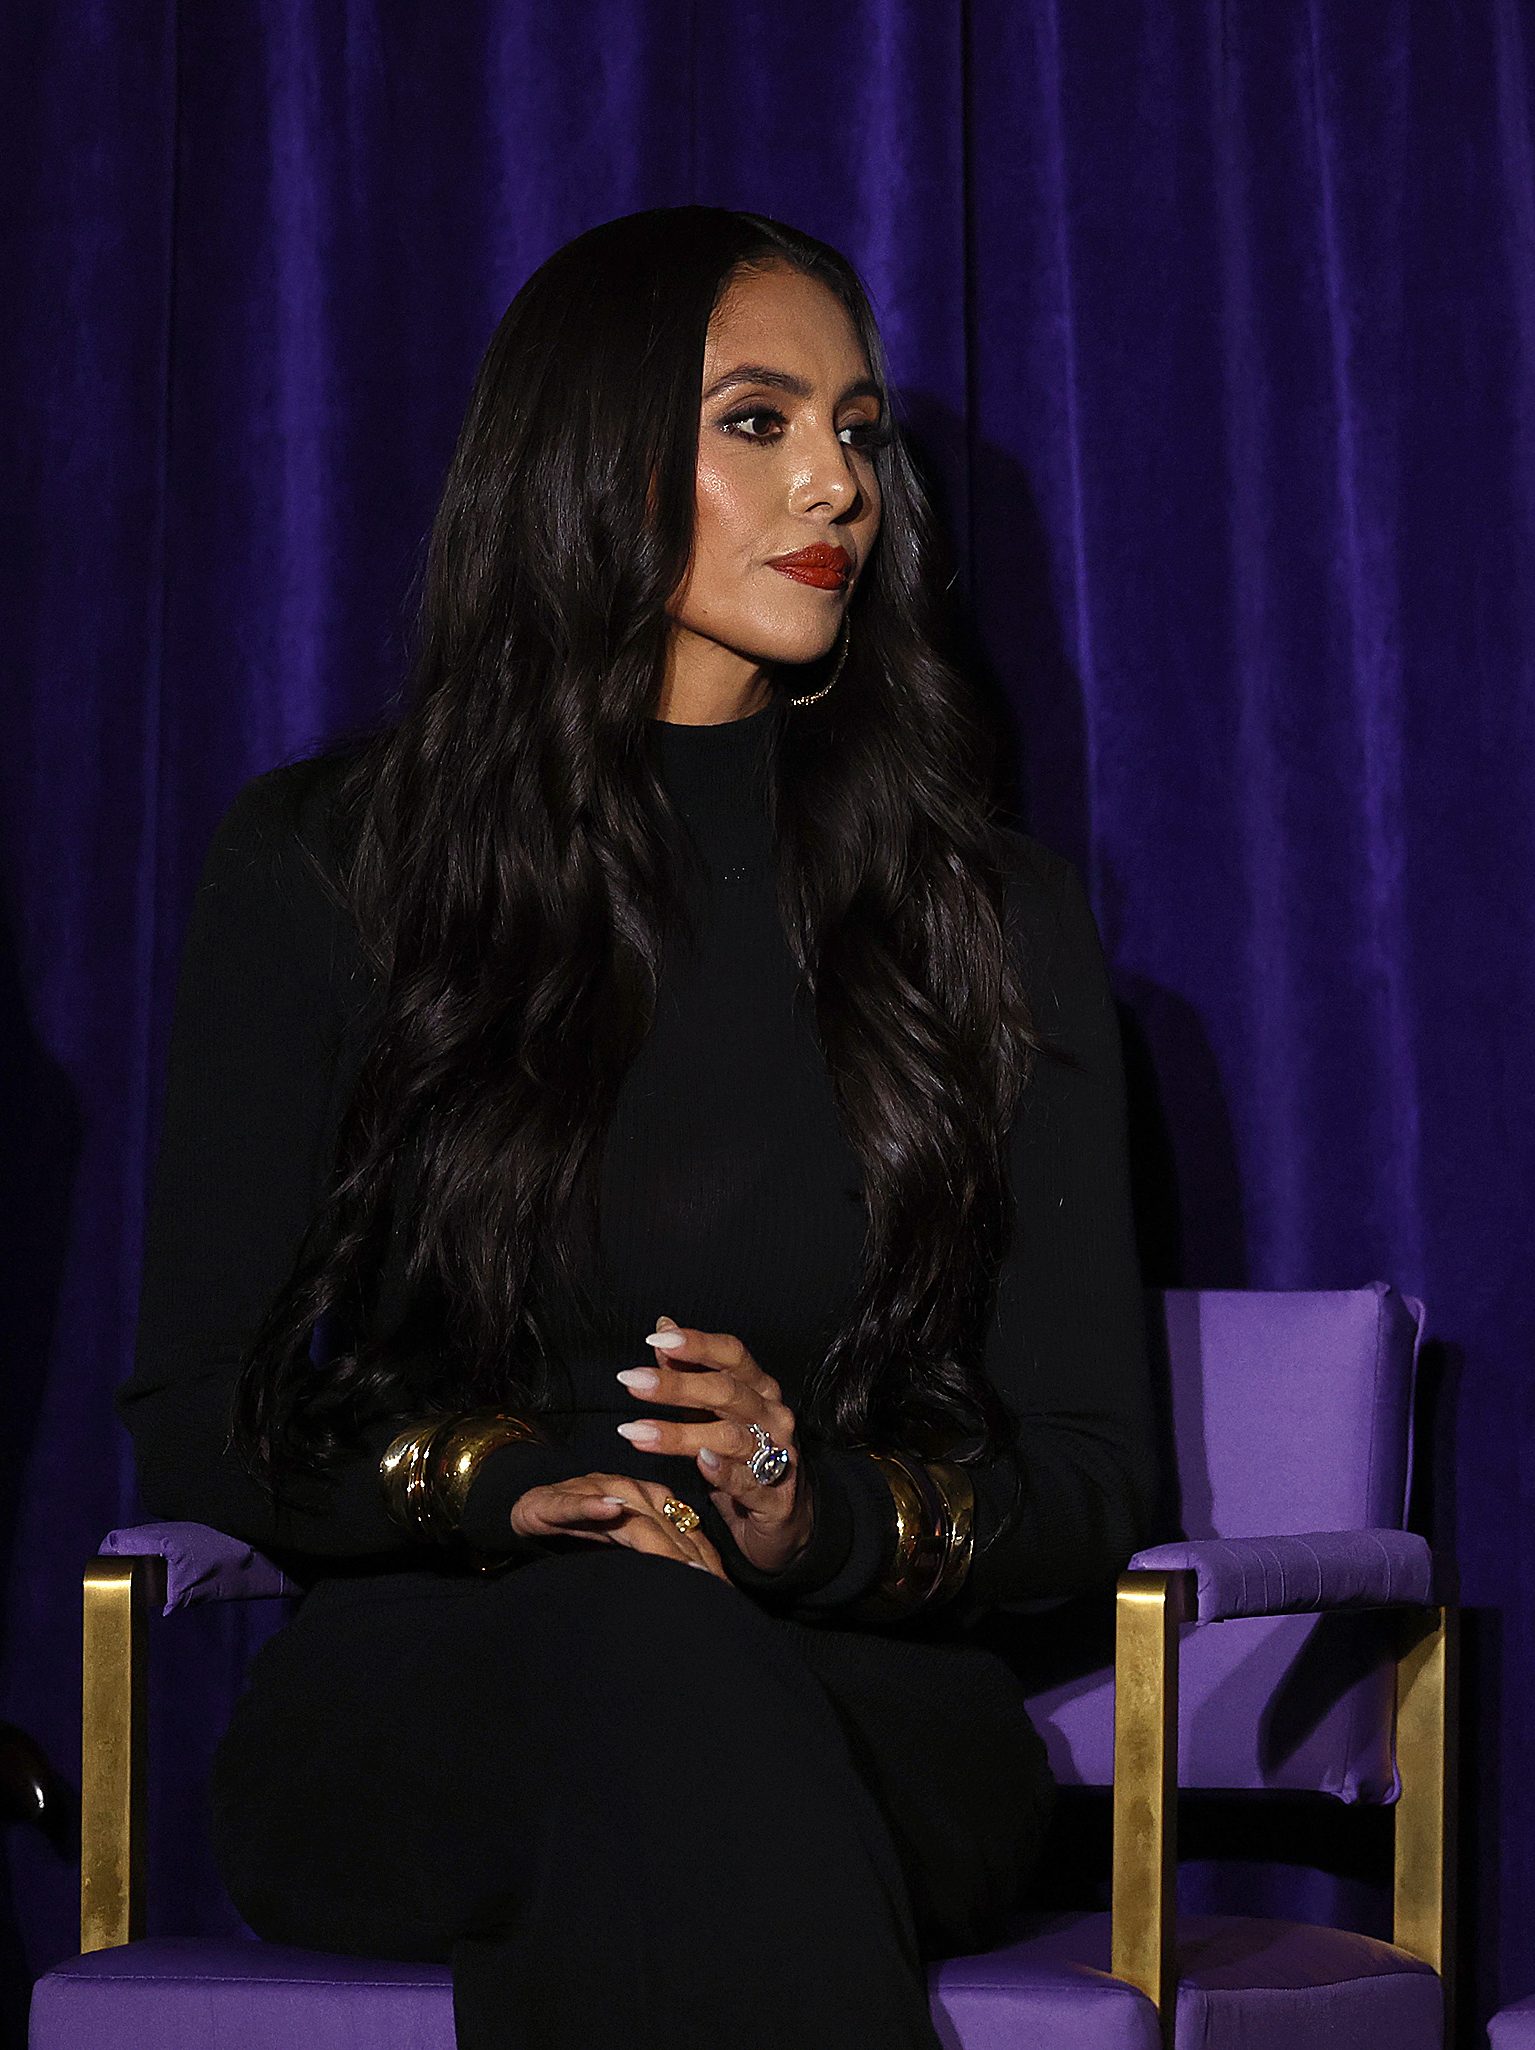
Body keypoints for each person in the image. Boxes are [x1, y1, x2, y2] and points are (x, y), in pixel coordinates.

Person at [120, 204, 1160, 2050]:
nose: (836, 485)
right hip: (445, 1686)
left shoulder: (984, 916)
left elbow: (1091, 1480)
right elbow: (198, 1403)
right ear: (585, 455)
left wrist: (808, 1512)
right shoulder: (327, 865)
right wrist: (502, 1480)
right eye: (759, 421)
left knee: (677, 1712)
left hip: (857, 1692)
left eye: (858, 431)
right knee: (630, 1656)